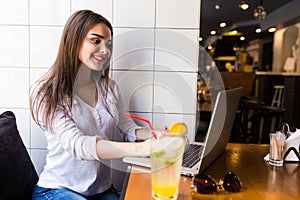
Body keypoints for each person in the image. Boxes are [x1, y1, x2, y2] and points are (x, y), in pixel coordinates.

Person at [30, 10, 162, 200]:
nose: (105, 50)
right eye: (96, 40)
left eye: (108, 44)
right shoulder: (46, 92)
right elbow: (79, 145)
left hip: (102, 191)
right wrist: (141, 149)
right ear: (73, 40)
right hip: (57, 190)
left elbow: (125, 128)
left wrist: (158, 136)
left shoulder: (109, 87)